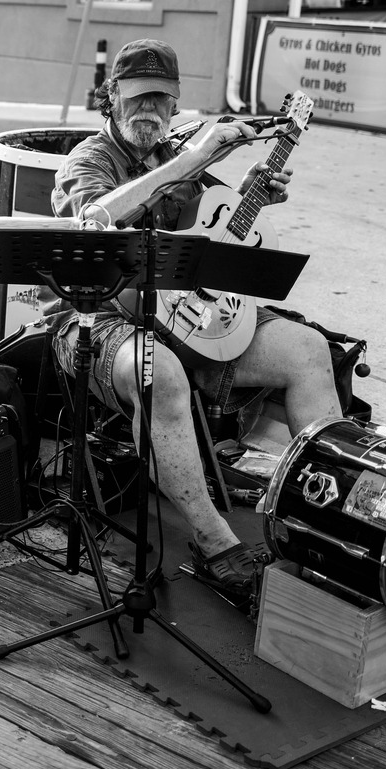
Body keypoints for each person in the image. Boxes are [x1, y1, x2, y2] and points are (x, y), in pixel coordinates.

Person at [47, 38, 341, 609]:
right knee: (162, 373)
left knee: (308, 348)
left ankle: (322, 512)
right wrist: (188, 160)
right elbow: (93, 223)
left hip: (189, 314)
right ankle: (214, 543)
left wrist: (252, 197)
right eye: (137, 99)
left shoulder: (176, 150)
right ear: (110, 98)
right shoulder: (89, 160)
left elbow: (212, 227)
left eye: (162, 100)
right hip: (100, 320)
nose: (149, 112)